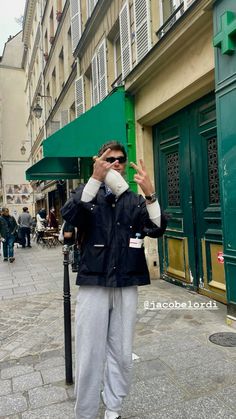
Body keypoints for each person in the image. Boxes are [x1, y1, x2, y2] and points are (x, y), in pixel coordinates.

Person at [61, 140, 167, 419]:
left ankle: (113, 406)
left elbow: (157, 228)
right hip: (94, 282)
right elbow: (70, 215)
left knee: (121, 351)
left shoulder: (133, 199)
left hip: (126, 281)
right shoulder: (88, 193)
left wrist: (151, 194)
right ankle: (84, 411)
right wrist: (94, 178)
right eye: (109, 159)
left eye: (120, 159)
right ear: (99, 161)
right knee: (88, 351)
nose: (116, 163)